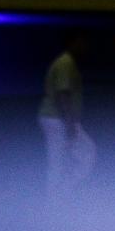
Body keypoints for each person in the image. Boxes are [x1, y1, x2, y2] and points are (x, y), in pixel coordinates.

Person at [38, 30, 96, 202]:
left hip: (58, 118)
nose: (84, 47)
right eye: (81, 43)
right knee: (81, 153)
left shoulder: (68, 62)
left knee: (67, 157)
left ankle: (63, 194)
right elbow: (63, 94)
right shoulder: (65, 62)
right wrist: (70, 123)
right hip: (57, 118)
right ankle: (56, 200)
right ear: (73, 43)